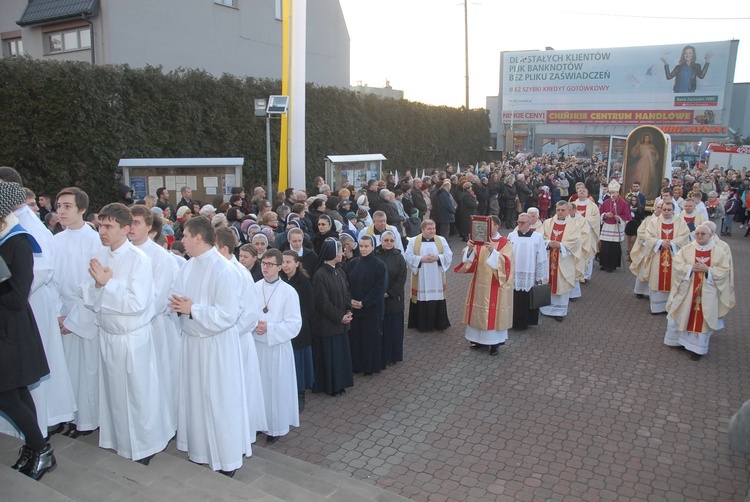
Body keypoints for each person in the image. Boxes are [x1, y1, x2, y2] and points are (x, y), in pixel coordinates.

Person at [82, 203, 172, 464]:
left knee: (138, 395)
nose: (102, 231)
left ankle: (146, 445)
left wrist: (107, 284)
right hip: (108, 334)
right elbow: (87, 293)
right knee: (114, 395)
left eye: (109, 226)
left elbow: (138, 303)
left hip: (131, 338)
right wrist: (99, 287)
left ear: (125, 228)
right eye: (100, 225)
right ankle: (119, 439)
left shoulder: (138, 259)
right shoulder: (99, 255)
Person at [170, 216, 251, 477]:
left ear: (198, 237)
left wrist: (193, 309)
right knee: (195, 399)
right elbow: (178, 298)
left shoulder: (222, 269)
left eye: (184, 235)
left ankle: (226, 458)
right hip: (193, 343)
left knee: (220, 401)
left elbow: (228, 314)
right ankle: (201, 451)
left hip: (217, 346)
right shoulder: (187, 266)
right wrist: (178, 305)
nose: (181, 240)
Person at [0, 170, 75, 441]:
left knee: (21, 378)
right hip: (16, 306)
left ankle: (38, 435)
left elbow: (40, 269)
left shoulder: (25, 228)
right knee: (16, 383)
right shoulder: (12, 222)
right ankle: (34, 441)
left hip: (27, 305)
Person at [0, 181, 58, 481]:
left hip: (13, 330)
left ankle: (41, 448)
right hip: (6, 329)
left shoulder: (19, 241)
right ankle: (35, 449)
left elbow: (17, 296)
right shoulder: (5, 237)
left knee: (7, 394)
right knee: (17, 391)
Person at [52, 187, 103, 438]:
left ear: (82, 209)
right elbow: (49, 280)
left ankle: (86, 419)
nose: (61, 211)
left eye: (67, 206)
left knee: (87, 369)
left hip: (84, 312)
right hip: (62, 309)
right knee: (64, 368)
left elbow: (93, 284)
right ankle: (65, 415)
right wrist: (59, 313)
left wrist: (74, 319)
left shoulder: (93, 240)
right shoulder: (55, 240)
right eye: (59, 206)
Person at [128, 206, 180, 434]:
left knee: (158, 380)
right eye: (128, 222)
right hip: (127, 329)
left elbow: (158, 298)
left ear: (149, 227)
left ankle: (162, 429)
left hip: (153, 326)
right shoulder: (121, 252)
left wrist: (131, 318)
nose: (131, 227)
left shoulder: (162, 258)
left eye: (137, 222)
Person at [214, 228, 267, 442]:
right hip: (224, 339)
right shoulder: (220, 270)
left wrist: (229, 332)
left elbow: (250, 314)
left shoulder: (239, 273)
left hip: (236, 339)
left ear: (223, 248)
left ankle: (244, 430)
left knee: (242, 387)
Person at [663, 224, 734, 360]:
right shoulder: (687, 249)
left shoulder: (718, 252)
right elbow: (677, 264)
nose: (700, 236)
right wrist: (690, 269)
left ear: (710, 235)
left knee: (702, 318)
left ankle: (697, 349)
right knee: (681, 312)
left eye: (703, 234)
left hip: (707, 292)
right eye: (698, 234)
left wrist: (707, 270)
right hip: (687, 290)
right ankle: (678, 341)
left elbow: (724, 271)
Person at [252, 248, 301, 444]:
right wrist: (253, 324)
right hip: (256, 346)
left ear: (280, 267)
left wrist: (270, 328)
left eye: (270, 264)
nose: (265, 267)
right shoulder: (254, 287)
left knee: (275, 389)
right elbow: (245, 313)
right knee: (257, 388)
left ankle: (275, 427)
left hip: (277, 348)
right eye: (263, 263)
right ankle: (257, 424)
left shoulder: (289, 292)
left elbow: (294, 324)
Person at [454, 215, 513, 355]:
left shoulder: (505, 242)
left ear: (496, 227)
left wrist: (493, 251)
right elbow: (469, 261)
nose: (484, 229)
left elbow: (507, 263)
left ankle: (494, 344)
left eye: (489, 225)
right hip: (478, 283)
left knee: (492, 313)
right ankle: (477, 340)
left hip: (495, 284)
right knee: (477, 310)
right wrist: (469, 248)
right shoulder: (478, 241)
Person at [311, 238, 354, 397]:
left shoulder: (340, 270)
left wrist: (348, 310)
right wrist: (339, 317)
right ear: (331, 253)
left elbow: (346, 292)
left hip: (340, 323)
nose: (342, 253)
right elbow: (323, 303)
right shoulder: (320, 275)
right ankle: (331, 386)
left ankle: (340, 383)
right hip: (328, 325)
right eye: (339, 250)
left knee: (340, 356)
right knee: (331, 358)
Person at [346, 235, 388, 374]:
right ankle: (356, 365)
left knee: (370, 339)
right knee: (356, 339)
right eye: (361, 246)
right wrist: (351, 300)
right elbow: (346, 285)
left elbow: (380, 288)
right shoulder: (352, 263)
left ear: (372, 247)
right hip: (355, 309)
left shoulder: (379, 265)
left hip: (372, 310)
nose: (363, 249)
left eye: (366, 246)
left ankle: (370, 367)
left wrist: (365, 302)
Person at [404, 219, 453, 332]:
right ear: (422, 229)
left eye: (434, 228)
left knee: (437, 297)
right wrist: (421, 259)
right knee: (422, 297)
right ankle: (421, 324)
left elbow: (449, 254)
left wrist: (438, 258)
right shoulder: (414, 241)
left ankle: (439, 323)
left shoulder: (441, 240)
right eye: (429, 229)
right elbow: (408, 256)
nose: (432, 231)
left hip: (436, 276)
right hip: (421, 276)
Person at [642, 201, 691, 314]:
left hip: (674, 256)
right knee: (657, 278)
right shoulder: (654, 222)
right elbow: (648, 236)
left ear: (673, 210)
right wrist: (660, 242)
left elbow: (684, 236)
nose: (667, 212)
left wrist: (672, 243)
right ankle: (657, 308)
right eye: (664, 209)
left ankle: (671, 307)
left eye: (669, 210)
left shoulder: (680, 222)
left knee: (673, 279)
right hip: (658, 254)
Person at [281, 250, 315, 412]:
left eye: (289, 262)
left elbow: (309, 308)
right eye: (283, 262)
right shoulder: (278, 280)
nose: (285, 265)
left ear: (296, 263)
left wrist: (293, 320)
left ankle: (300, 394)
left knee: (298, 365)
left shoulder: (304, 282)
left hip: (299, 330)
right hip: (281, 329)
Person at [539, 201, 582, 322]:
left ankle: (560, 311)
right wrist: (548, 243)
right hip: (548, 257)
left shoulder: (574, 225)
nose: (560, 212)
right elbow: (540, 236)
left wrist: (561, 245)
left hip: (564, 259)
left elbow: (576, 241)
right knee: (547, 281)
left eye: (563, 210)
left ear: (568, 210)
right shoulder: (548, 223)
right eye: (558, 210)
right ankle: (545, 309)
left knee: (561, 283)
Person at [507, 213, 548, 330]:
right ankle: (512, 322)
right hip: (514, 273)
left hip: (530, 272)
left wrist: (540, 275)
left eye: (522, 222)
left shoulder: (537, 237)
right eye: (518, 222)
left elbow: (541, 256)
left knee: (528, 298)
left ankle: (527, 321)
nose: (519, 224)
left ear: (529, 223)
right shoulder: (512, 235)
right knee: (515, 298)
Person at [374, 230, 407, 366]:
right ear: (381, 241)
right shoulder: (375, 255)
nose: (388, 243)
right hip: (378, 299)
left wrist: (389, 293)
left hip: (394, 300)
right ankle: (381, 355)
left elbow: (401, 279)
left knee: (393, 329)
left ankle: (393, 356)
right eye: (386, 240)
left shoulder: (399, 257)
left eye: (391, 241)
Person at [598, 181, 632, 273]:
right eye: (610, 192)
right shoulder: (606, 202)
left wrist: (619, 218)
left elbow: (627, 216)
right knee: (605, 246)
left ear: (618, 192)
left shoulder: (624, 203)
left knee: (614, 247)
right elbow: (600, 213)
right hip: (607, 226)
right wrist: (605, 215)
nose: (612, 194)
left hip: (616, 227)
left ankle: (612, 265)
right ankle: (603, 264)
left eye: (613, 192)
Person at [572, 184, 600, 281]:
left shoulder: (593, 206)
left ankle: (587, 275)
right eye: (580, 190)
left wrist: (581, 219)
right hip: (574, 234)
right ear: (577, 193)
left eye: (584, 191)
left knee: (588, 253)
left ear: (587, 194)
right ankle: (575, 273)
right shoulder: (572, 204)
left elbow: (596, 218)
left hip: (588, 234)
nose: (582, 192)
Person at [627, 134, 660, 198]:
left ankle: (645, 191)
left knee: (647, 178)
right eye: (645, 138)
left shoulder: (651, 146)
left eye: (648, 138)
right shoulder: (640, 145)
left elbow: (656, 155)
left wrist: (652, 152)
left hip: (649, 164)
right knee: (639, 176)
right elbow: (635, 153)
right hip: (642, 162)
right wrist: (637, 145)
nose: (646, 140)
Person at [625, 195, 645, 260]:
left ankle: (634, 254)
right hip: (629, 224)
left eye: (635, 200)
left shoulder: (640, 208)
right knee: (629, 241)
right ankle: (630, 255)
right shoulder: (628, 207)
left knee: (633, 240)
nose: (634, 201)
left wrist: (635, 215)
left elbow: (642, 217)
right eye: (632, 200)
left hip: (636, 224)